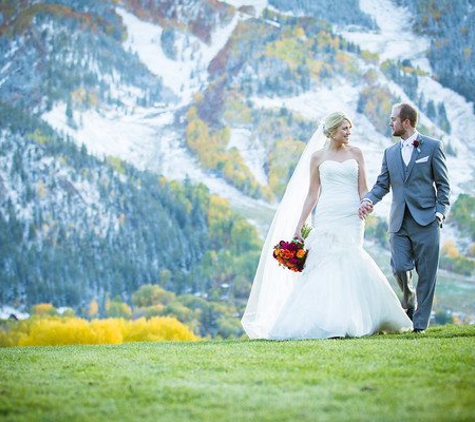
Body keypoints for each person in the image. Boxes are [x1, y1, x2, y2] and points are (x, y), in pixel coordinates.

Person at [241, 111, 412, 340]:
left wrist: (367, 203)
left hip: (352, 216)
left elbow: (363, 188)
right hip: (328, 213)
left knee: (350, 259)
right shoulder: (317, 157)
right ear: (332, 131)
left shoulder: (357, 153)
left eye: (350, 129)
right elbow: (312, 194)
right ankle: (329, 322)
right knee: (325, 263)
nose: (349, 132)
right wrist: (298, 225)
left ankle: (359, 318)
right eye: (345, 129)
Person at [359, 103, 450, 333]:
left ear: (406, 122)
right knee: (399, 266)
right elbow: (382, 184)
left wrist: (439, 214)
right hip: (399, 221)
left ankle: (419, 326)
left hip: (428, 221)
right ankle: (409, 300)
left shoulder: (432, 146)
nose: (390, 123)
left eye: (393, 119)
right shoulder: (390, 153)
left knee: (427, 276)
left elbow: (443, 185)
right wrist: (369, 200)